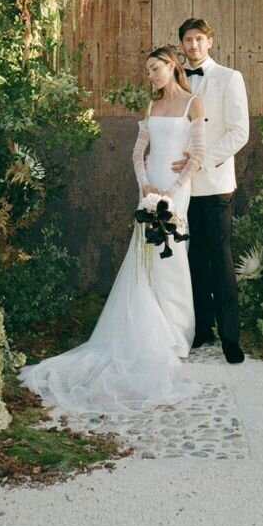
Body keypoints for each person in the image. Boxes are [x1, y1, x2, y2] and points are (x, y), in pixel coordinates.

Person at [20, 46, 205, 414]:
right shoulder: (151, 107)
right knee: (145, 253)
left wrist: (171, 190)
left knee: (171, 253)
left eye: (155, 68)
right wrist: (146, 186)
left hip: (177, 189)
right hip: (149, 188)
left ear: (171, 66)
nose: (150, 75)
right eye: (148, 70)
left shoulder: (193, 103)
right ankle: (149, 329)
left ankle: (175, 334)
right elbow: (138, 153)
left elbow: (197, 154)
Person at [174, 18, 249, 364]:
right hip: (182, 186)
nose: (193, 45)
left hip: (215, 183)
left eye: (199, 39)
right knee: (192, 261)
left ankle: (230, 339)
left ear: (210, 42)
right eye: (187, 40)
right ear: (182, 45)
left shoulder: (229, 78)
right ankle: (200, 330)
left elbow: (239, 133)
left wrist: (201, 160)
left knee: (220, 261)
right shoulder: (175, 79)